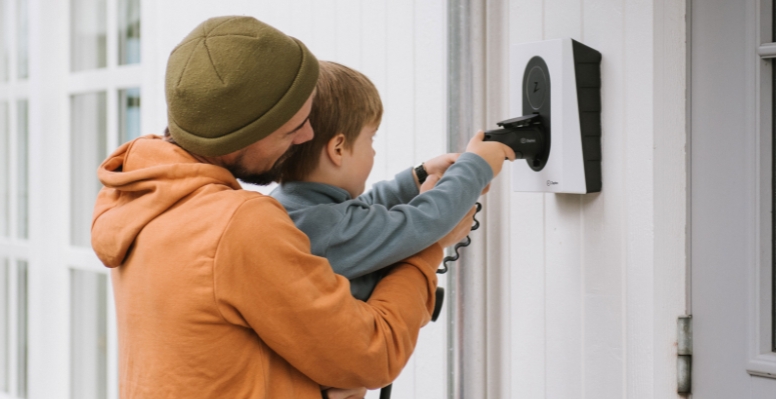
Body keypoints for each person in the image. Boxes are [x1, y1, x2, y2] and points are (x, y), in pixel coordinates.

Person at [90, 16, 510, 399]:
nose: (306, 136)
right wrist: (429, 248)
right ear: (243, 132)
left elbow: (235, 346)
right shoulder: (240, 225)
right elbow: (373, 356)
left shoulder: (149, 199)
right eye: (294, 126)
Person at [271, 61, 510, 302]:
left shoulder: (293, 206)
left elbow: (359, 215)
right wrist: (477, 166)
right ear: (338, 149)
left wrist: (418, 176)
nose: (373, 151)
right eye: (370, 138)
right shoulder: (325, 228)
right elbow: (423, 222)